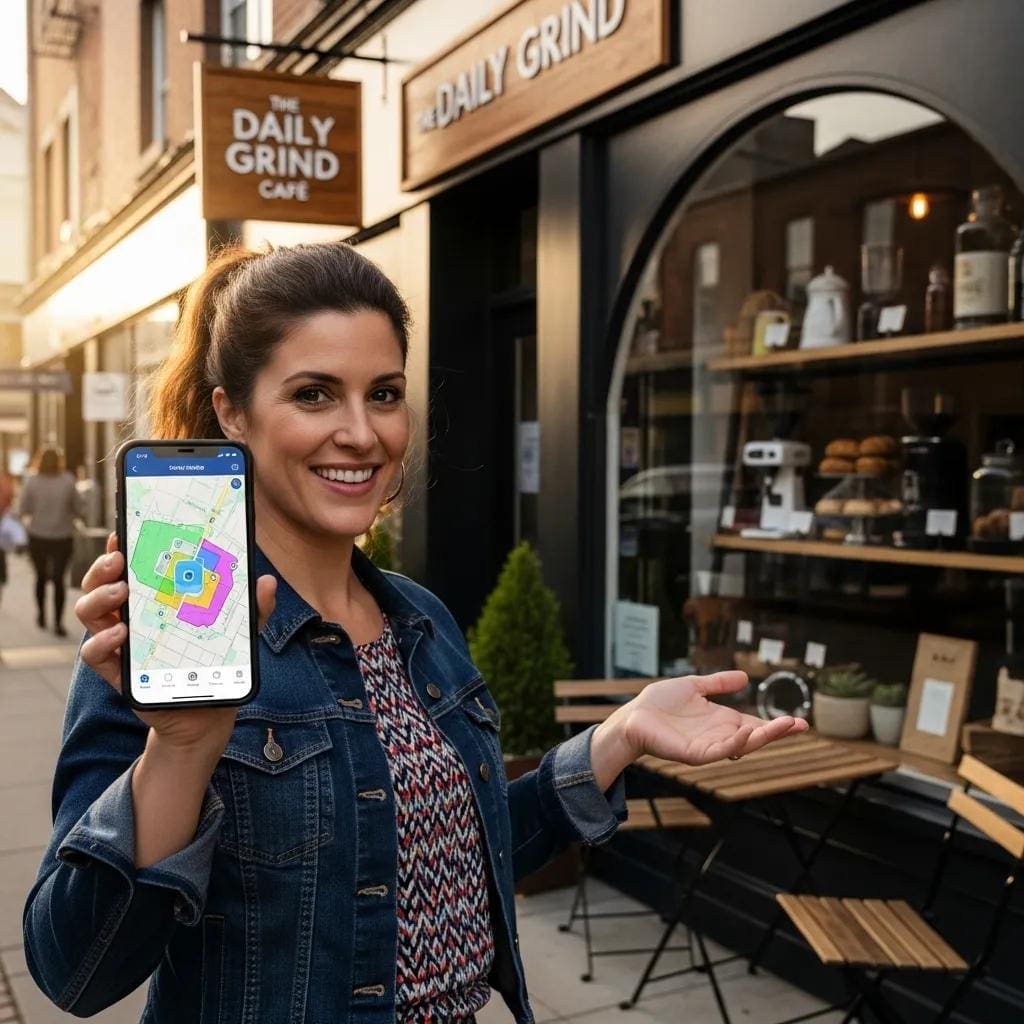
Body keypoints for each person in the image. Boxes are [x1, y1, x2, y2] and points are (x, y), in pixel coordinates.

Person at [23, 243, 807, 1022]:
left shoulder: (419, 618)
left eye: (385, 393)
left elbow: (458, 857)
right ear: (232, 411)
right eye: (315, 394)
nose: (363, 434)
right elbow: (75, 970)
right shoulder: (165, 641)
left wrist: (621, 736)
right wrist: (184, 751)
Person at [18, 445, 82, 636]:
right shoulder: (68, 481)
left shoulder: (31, 481)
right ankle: (58, 623)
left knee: (39, 577)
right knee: (58, 579)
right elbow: (79, 508)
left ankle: (41, 615)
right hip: (62, 537)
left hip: (37, 536)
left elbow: (23, 509)